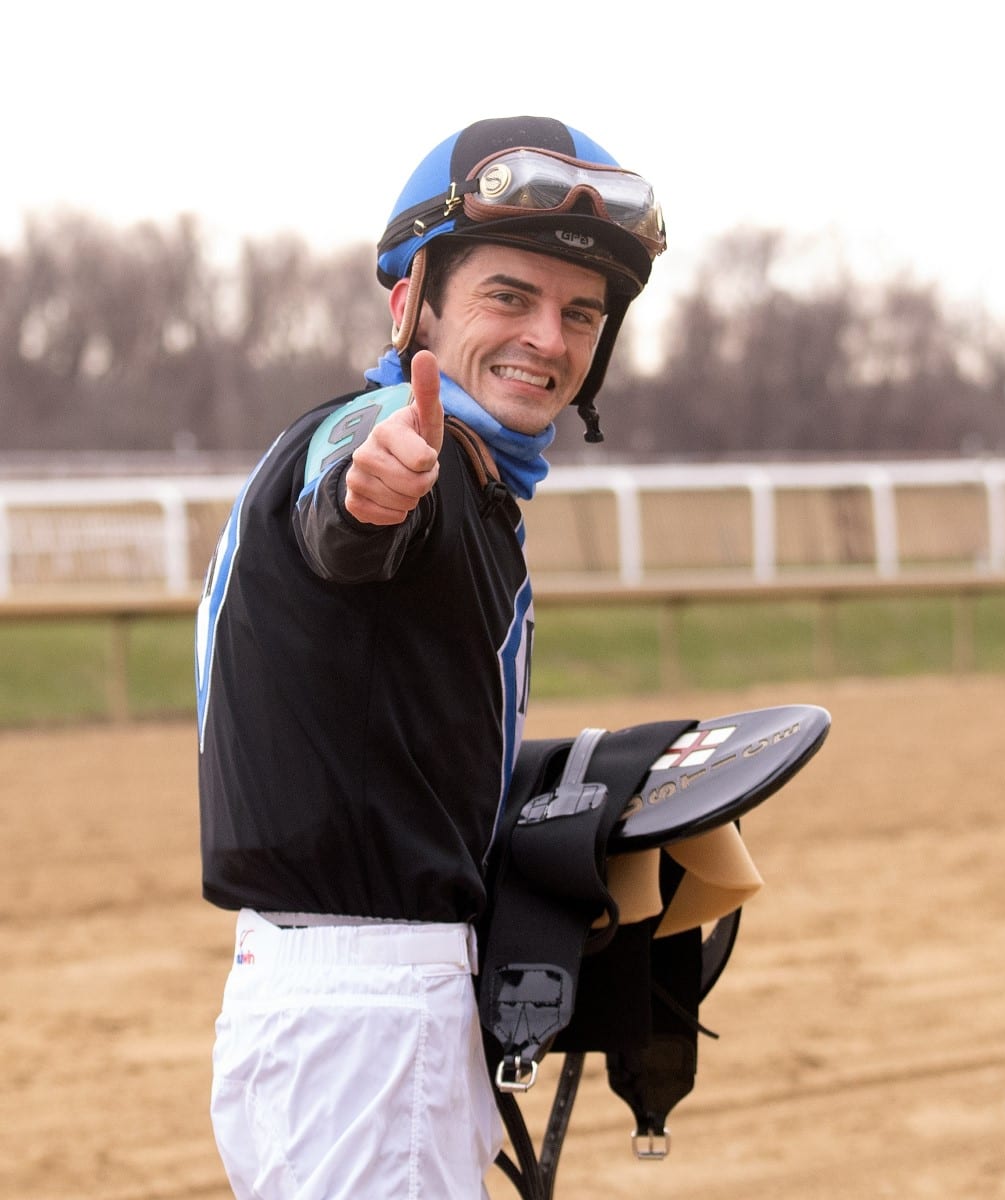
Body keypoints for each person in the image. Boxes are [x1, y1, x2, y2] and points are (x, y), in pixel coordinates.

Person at [195, 114, 666, 1199]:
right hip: (366, 1024)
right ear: (411, 301)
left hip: (335, 1012)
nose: (548, 338)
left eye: (580, 312)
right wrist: (373, 490)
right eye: (510, 297)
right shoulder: (407, 448)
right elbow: (352, 508)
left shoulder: (474, 484)